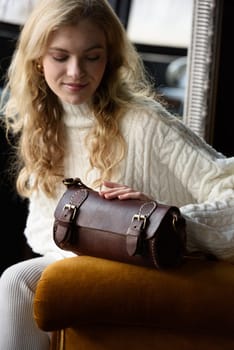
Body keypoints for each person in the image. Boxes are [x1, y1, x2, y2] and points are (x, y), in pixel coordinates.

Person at [0, 0, 233, 348]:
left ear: (109, 59)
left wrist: (160, 221)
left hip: (165, 265)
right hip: (91, 263)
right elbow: (40, 224)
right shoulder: (43, 126)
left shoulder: (146, 123)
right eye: (60, 57)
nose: (76, 72)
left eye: (92, 56)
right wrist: (99, 238)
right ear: (38, 60)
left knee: (17, 282)